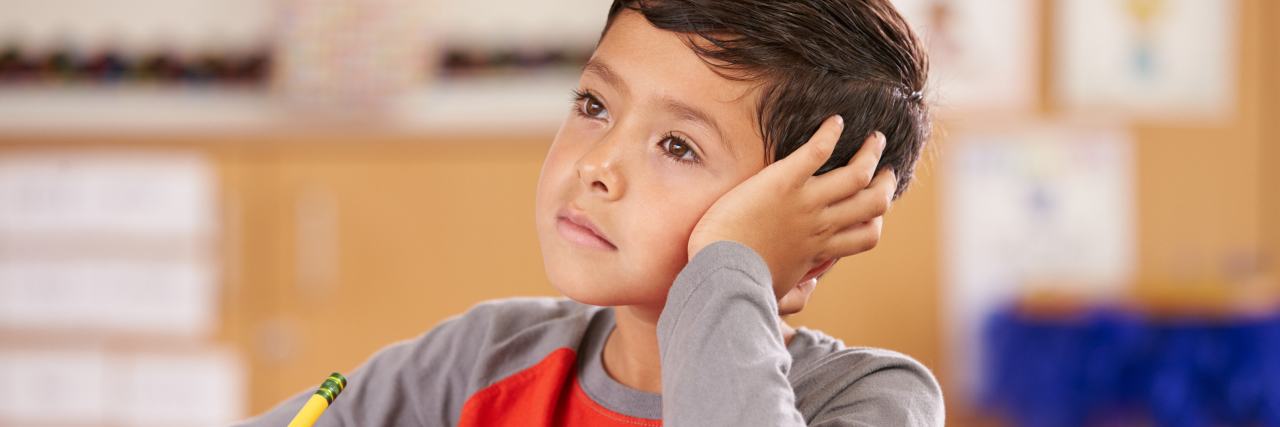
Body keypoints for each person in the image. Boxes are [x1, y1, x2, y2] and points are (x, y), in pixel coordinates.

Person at [234, 0, 942, 425]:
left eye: (677, 145)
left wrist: (733, 264)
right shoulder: (482, 358)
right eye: (594, 105)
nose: (596, 163)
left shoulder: (874, 398)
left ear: (815, 220)